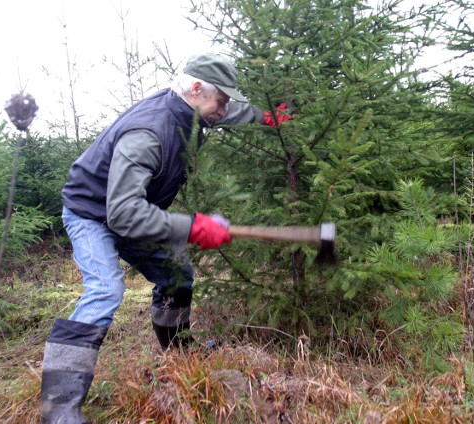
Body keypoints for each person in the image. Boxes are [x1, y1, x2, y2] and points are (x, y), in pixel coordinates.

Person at [40, 52, 289, 424]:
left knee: (177, 274)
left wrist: (267, 117)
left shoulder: (191, 110)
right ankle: (58, 408)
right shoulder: (149, 133)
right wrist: (192, 227)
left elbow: (227, 113)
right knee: (106, 290)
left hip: (130, 211)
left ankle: (178, 350)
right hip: (91, 213)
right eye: (221, 100)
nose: (223, 110)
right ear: (195, 88)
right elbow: (122, 214)